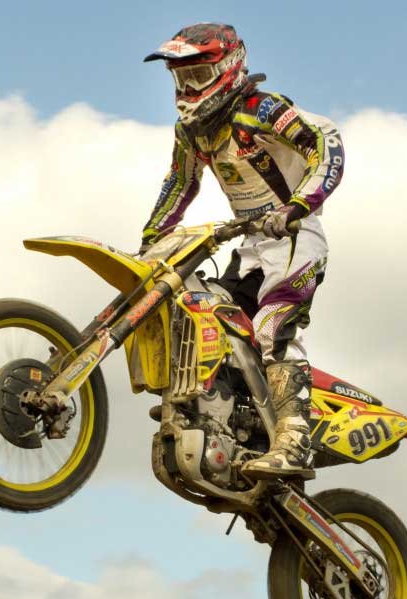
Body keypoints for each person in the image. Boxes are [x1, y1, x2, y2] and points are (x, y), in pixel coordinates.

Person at [140, 22, 345, 480]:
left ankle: (296, 440)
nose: (188, 89)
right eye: (181, 78)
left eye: (198, 76)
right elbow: (180, 183)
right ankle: (218, 411)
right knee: (204, 313)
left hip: (295, 237)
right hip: (251, 245)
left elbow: (325, 143)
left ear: (228, 68)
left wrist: (298, 205)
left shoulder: (261, 110)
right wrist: (151, 239)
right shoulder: (191, 132)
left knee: (273, 327)